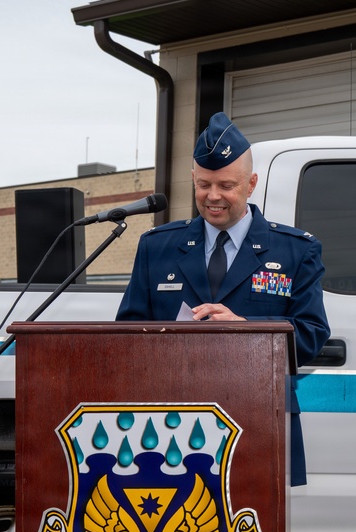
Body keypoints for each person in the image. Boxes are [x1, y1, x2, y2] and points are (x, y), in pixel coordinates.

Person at [116, 111, 331, 487]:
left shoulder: (297, 250)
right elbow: (127, 335)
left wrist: (245, 329)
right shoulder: (158, 246)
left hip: (257, 420)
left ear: (251, 184)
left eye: (226, 186)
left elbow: (312, 334)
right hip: (170, 427)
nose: (213, 196)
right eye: (204, 185)